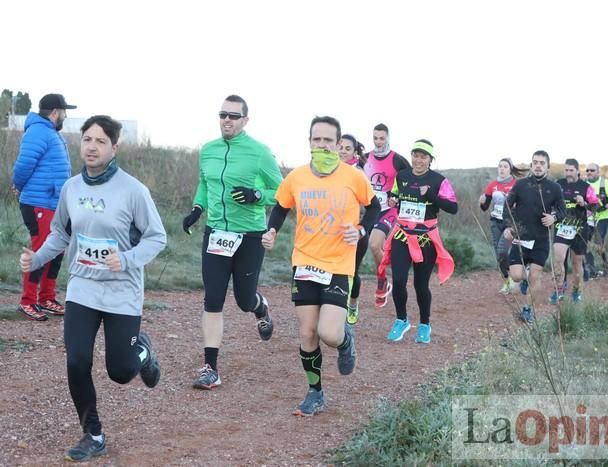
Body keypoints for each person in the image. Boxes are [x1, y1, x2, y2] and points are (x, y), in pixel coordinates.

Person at [19, 115, 166, 462]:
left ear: (115, 148)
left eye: (100, 141)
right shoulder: (72, 188)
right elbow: (60, 233)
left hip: (121, 291)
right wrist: (37, 258)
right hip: (83, 287)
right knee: (77, 361)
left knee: (121, 371)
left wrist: (127, 259)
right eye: (87, 139)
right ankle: (93, 434)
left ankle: (142, 353)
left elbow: (156, 236)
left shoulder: (133, 191)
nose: (92, 147)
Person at [262, 116, 379, 416]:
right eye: (317, 139)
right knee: (308, 334)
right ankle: (315, 392)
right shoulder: (297, 177)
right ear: (310, 142)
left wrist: (362, 230)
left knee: (329, 333)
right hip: (304, 262)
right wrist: (272, 230)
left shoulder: (353, 177)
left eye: (329, 140)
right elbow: (280, 207)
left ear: (339, 144)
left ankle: (344, 341)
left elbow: (375, 208)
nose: (323, 145)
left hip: (340, 263)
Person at [182, 94, 283, 390]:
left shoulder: (259, 153)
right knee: (212, 299)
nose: (227, 120)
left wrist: (257, 196)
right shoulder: (209, 150)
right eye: (223, 114)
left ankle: (260, 307)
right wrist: (197, 209)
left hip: (249, 235)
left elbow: (283, 191)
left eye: (233, 116)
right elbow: (205, 183)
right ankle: (210, 369)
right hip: (216, 234)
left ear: (245, 120)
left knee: (242, 299)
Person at [380, 139, 458, 343]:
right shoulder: (402, 175)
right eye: (416, 155)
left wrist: (430, 194)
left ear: (430, 160)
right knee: (398, 280)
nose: (418, 160)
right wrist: (392, 199)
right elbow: (394, 195)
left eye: (423, 157)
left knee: (420, 285)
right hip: (402, 235)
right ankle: (401, 320)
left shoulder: (438, 180)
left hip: (426, 238)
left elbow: (453, 207)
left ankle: (424, 324)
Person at [12, 93, 76, 321]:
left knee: (56, 250)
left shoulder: (50, 133)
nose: (66, 117)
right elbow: (24, 164)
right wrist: (17, 185)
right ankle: (28, 301)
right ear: (55, 112)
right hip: (39, 202)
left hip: (53, 203)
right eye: (64, 112)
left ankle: (46, 297)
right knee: (39, 252)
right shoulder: (39, 131)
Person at [503, 150, 565, 323]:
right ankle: (524, 279)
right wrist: (508, 226)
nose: (538, 165)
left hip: (540, 239)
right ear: (531, 165)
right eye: (535, 162)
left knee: (535, 276)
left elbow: (562, 211)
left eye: (542, 163)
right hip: (521, 237)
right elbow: (507, 206)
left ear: (548, 167)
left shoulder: (554, 188)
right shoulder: (521, 185)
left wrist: (554, 217)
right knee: (516, 275)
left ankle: (527, 310)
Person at [363, 123, 410, 307]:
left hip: (389, 210)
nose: (378, 142)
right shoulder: (366, 158)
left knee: (374, 244)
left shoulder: (398, 160)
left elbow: (408, 181)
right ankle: (384, 278)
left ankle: (382, 280)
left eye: (382, 138)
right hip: (371, 209)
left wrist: (397, 196)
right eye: (375, 138)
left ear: (388, 138)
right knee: (374, 248)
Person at [550, 159, 599, 304]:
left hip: (579, 229)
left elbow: (595, 207)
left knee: (577, 264)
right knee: (558, 258)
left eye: (571, 170)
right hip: (561, 228)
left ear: (577, 171)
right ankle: (559, 289)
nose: (568, 173)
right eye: (566, 170)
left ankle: (577, 290)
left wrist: (584, 203)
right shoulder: (558, 184)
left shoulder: (586, 187)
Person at [479, 158, 527, 293]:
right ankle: (507, 281)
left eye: (505, 166)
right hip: (495, 223)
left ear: (510, 169)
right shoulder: (492, 185)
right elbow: (485, 206)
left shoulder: (517, 185)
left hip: (510, 224)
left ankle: (519, 275)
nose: (502, 169)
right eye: (500, 166)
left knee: (503, 251)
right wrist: (482, 202)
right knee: (499, 255)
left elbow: (523, 205)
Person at [339, 134, 370, 324]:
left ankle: (352, 304)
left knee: (352, 271)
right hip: (331, 232)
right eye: (340, 146)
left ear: (354, 152)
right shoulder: (327, 170)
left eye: (347, 148)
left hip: (356, 232)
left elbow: (370, 206)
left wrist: (361, 229)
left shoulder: (359, 174)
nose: (342, 151)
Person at [582, 163, 608, 278]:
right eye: (587, 170)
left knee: (598, 246)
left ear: (598, 172)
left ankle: (607, 266)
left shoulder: (605, 183)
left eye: (592, 170)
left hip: (602, 217)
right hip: (588, 218)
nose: (589, 172)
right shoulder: (584, 184)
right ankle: (591, 271)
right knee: (586, 243)